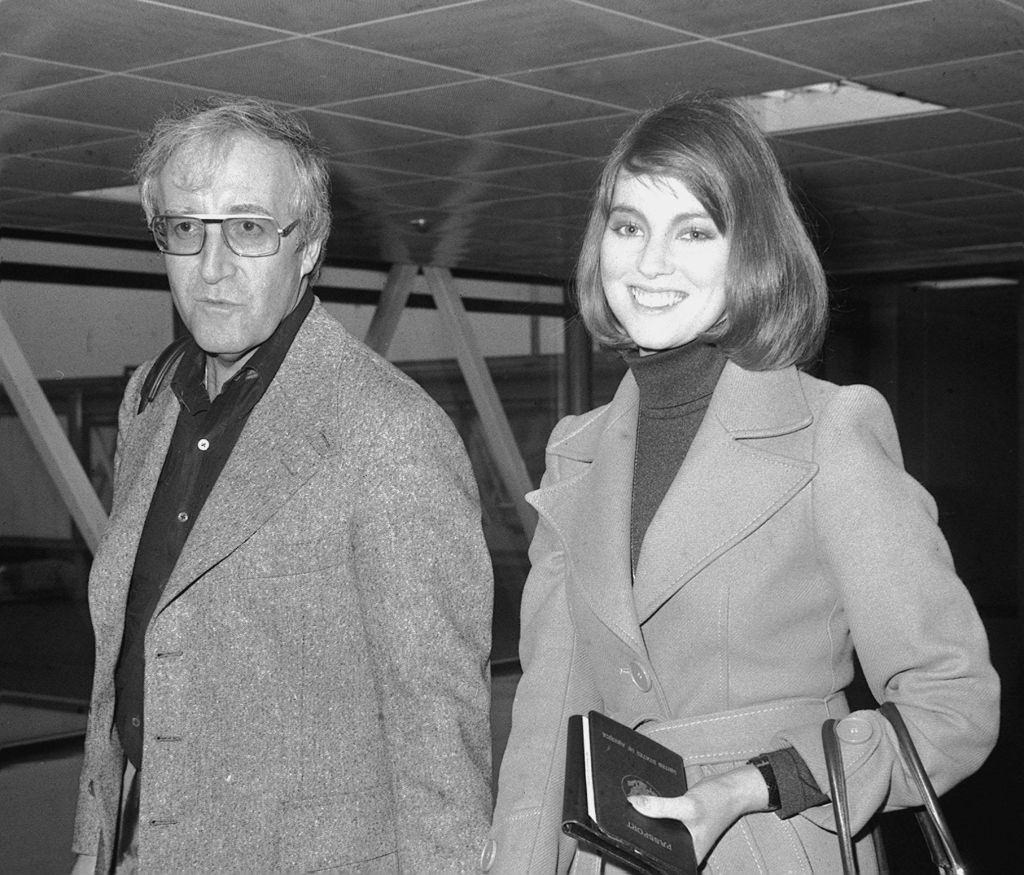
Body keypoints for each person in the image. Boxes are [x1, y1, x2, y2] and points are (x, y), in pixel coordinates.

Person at [485, 94, 999, 873]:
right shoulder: (576, 451)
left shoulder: (832, 433)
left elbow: (952, 703)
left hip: (771, 842)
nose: (650, 263)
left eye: (693, 231)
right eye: (629, 227)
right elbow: (548, 713)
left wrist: (758, 784)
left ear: (750, 252)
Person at [70, 97, 494, 873]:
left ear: (309, 248)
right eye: (187, 228)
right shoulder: (150, 402)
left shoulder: (386, 430)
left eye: (250, 228)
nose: (214, 267)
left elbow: (441, 747)